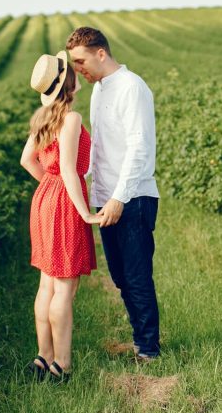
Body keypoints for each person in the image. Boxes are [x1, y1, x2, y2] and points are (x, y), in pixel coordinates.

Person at [67, 27, 161, 362]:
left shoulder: (132, 87)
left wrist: (119, 198)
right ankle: (140, 338)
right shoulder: (99, 90)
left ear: (100, 53)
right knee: (120, 276)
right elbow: (102, 147)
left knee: (136, 277)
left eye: (81, 61)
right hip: (104, 196)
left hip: (132, 197)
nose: (78, 69)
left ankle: (148, 349)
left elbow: (139, 148)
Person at [20, 50, 100, 382]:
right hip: (64, 201)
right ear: (68, 81)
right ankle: (62, 364)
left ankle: (43, 356)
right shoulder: (71, 118)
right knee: (64, 287)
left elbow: (28, 160)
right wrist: (85, 212)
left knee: (47, 285)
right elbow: (68, 169)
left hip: (43, 200)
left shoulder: (42, 117)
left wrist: (49, 187)